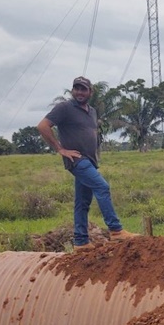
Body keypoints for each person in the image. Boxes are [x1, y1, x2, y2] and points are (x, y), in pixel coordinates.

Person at [37, 75, 138, 251]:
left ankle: (81, 241)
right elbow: (43, 126)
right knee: (102, 187)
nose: (79, 92)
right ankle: (115, 230)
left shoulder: (92, 111)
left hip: (90, 161)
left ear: (90, 92)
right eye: (76, 88)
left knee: (82, 202)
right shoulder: (64, 108)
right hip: (77, 160)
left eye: (83, 89)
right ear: (72, 90)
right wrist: (60, 149)